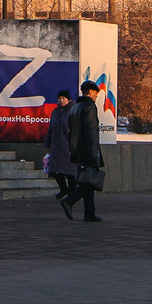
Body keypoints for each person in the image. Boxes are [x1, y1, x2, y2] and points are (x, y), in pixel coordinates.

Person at [66, 83, 106, 223]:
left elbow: (69, 130)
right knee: (89, 182)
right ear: (90, 92)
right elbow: (91, 133)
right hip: (87, 151)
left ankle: (89, 213)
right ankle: (69, 201)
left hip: (78, 150)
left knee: (88, 180)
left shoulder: (75, 107)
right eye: (96, 92)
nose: (96, 95)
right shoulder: (89, 107)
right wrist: (94, 154)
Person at [42, 88, 79, 218]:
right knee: (54, 170)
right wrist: (48, 144)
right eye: (59, 98)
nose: (61, 101)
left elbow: (75, 130)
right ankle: (64, 189)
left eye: (64, 98)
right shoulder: (55, 112)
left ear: (68, 99)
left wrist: (74, 146)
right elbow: (51, 129)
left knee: (70, 171)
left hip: (68, 146)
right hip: (56, 146)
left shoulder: (73, 111)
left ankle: (71, 193)